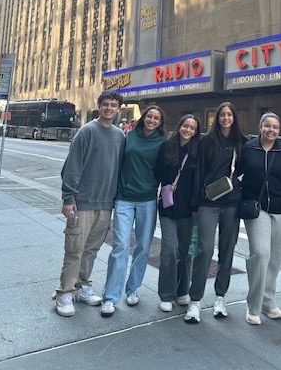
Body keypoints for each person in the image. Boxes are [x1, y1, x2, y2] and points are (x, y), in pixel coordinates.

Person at [54, 91, 125, 317]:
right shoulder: (86, 132)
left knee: (91, 250)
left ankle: (82, 286)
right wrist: (68, 198)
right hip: (82, 203)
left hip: (105, 204)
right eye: (106, 105)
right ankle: (65, 293)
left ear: (118, 109)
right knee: (74, 249)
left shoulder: (120, 135)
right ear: (99, 106)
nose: (109, 108)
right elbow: (71, 167)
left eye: (113, 105)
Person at [184, 101, 246, 324]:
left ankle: (221, 296)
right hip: (207, 202)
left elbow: (248, 171)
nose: (226, 118)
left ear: (234, 117)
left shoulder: (242, 142)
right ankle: (195, 300)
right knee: (204, 249)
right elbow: (197, 172)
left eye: (230, 114)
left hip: (232, 204)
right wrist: (194, 203)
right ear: (217, 118)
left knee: (227, 252)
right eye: (222, 115)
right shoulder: (205, 141)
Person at [100, 106, 165, 316]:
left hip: (147, 200)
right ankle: (110, 296)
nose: (152, 120)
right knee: (120, 246)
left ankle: (132, 289)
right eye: (149, 116)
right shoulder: (128, 136)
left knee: (143, 247)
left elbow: (166, 169)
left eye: (156, 118)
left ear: (160, 122)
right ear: (143, 117)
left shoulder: (162, 143)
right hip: (125, 199)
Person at [238, 112, 281, 325]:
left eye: (275, 127)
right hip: (256, 207)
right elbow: (237, 173)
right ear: (260, 127)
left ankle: (268, 300)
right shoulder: (249, 148)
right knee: (261, 253)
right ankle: (253, 303)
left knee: (275, 258)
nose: (271, 130)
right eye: (267, 126)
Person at [156, 114, 201, 312]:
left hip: (188, 209)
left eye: (192, 128)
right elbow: (157, 172)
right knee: (169, 250)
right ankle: (166, 294)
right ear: (179, 126)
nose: (188, 130)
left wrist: (196, 206)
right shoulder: (167, 146)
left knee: (186, 252)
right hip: (168, 207)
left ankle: (182, 290)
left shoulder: (198, 150)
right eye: (185, 126)